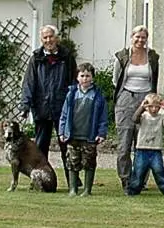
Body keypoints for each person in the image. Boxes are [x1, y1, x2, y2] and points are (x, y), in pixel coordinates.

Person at [22, 25, 77, 185]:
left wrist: (73, 104)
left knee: (67, 147)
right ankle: (41, 180)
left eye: (51, 37)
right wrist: (25, 106)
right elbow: (29, 83)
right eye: (45, 38)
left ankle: (72, 181)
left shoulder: (66, 57)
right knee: (40, 149)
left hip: (62, 108)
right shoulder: (36, 58)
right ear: (42, 40)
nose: (48, 40)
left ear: (56, 38)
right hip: (42, 107)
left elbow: (74, 82)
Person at [112, 25, 161, 189]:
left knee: (144, 142)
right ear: (131, 37)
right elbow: (115, 80)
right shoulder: (122, 56)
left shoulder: (152, 57)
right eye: (137, 37)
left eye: (143, 37)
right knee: (124, 144)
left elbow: (154, 78)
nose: (140, 40)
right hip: (126, 99)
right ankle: (126, 179)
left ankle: (140, 180)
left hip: (146, 100)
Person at [58, 63, 108, 196]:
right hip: (73, 135)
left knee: (89, 162)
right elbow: (64, 114)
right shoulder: (71, 94)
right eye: (82, 76)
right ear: (77, 78)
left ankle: (87, 189)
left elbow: (103, 117)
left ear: (92, 77)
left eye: (88, 76)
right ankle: (73, 189)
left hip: (90, 136)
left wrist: (101, 133)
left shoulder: (97, 95)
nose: (85, 78)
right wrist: (62, 131)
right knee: (72, 161)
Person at [125, 93, 164, 196]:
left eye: (156, 107)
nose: (153, 109)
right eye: (151, 106)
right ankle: (133, 190)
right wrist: (141, 108)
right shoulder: (143, 116)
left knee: (159, 170)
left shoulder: (161, 116)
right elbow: (134, 119)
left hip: (156, 149)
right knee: (138, 171)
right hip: (142, 149)